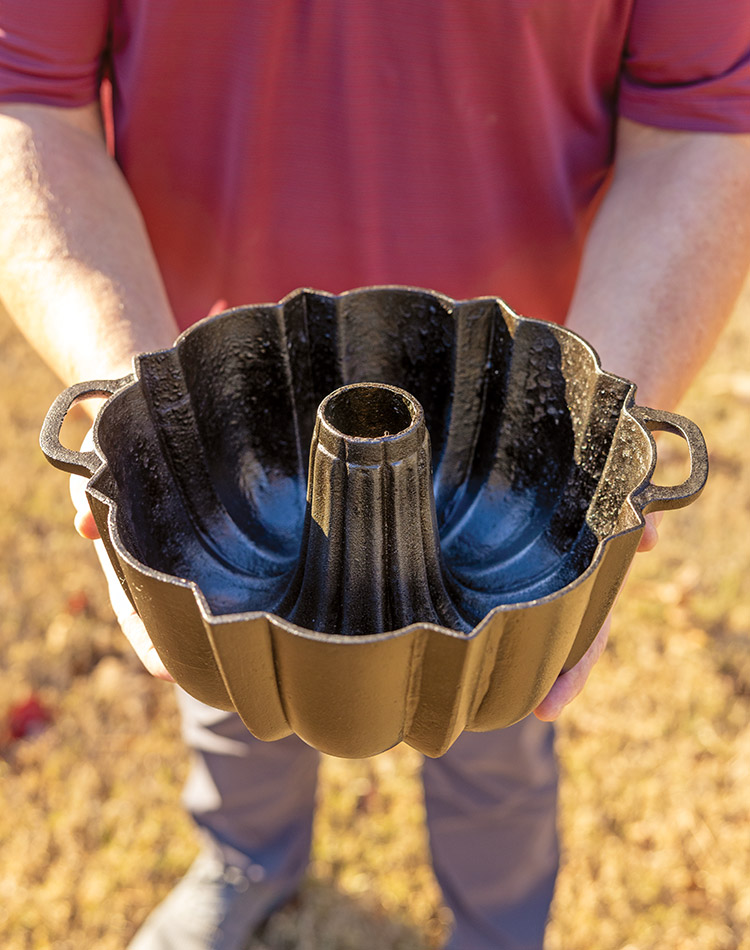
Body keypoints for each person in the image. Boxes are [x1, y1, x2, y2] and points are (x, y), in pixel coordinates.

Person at [1, 4, 749, 948]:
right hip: (221, 410)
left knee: (499, 724)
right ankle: (246, 855)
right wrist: (146, 424)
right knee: (233, 688)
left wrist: (592, 432)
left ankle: (498, 925)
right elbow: (26, 92)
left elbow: (697, 122)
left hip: (508, 433)